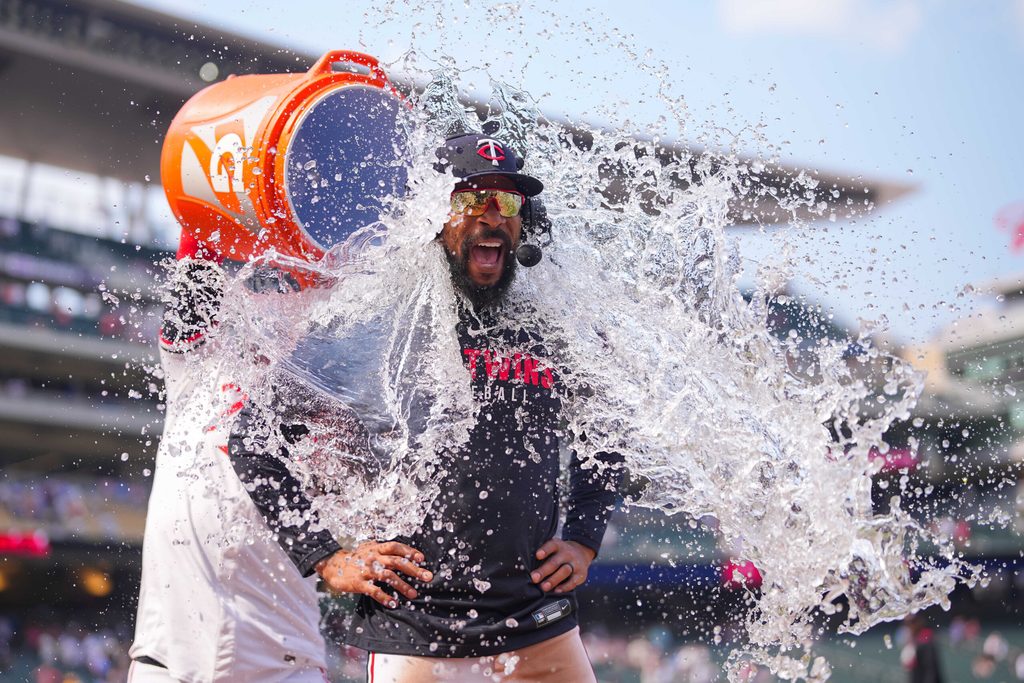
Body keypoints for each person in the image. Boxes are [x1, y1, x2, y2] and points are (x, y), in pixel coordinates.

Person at [228, 132, 624, 682]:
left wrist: (583, 537)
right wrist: (326, 556)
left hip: (541, 629)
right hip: (413, 635)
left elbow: (611, 434)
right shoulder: (371, 321)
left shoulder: (550, 327)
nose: (492, 216)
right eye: (470, 200)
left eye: (507, 203)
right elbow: (254, 439)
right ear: (432, 218)